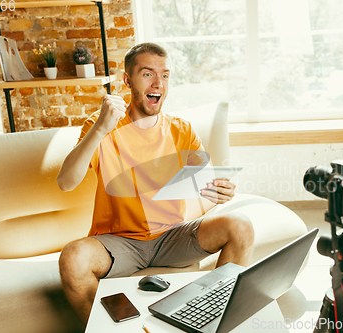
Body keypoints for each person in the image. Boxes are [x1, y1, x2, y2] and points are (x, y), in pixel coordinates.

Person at [56, 42, 254, 325]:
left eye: (165, 75)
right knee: (73, 258)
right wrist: (101, 128)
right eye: (147, 74)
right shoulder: (101, 126)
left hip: (172, 236)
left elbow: (206, 189)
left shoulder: (182, 130)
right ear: (127, 80)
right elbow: (65, 182)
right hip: (120, 242)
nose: (158, 82)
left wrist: (219, 192)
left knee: (241, 225)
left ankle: (210, 320)